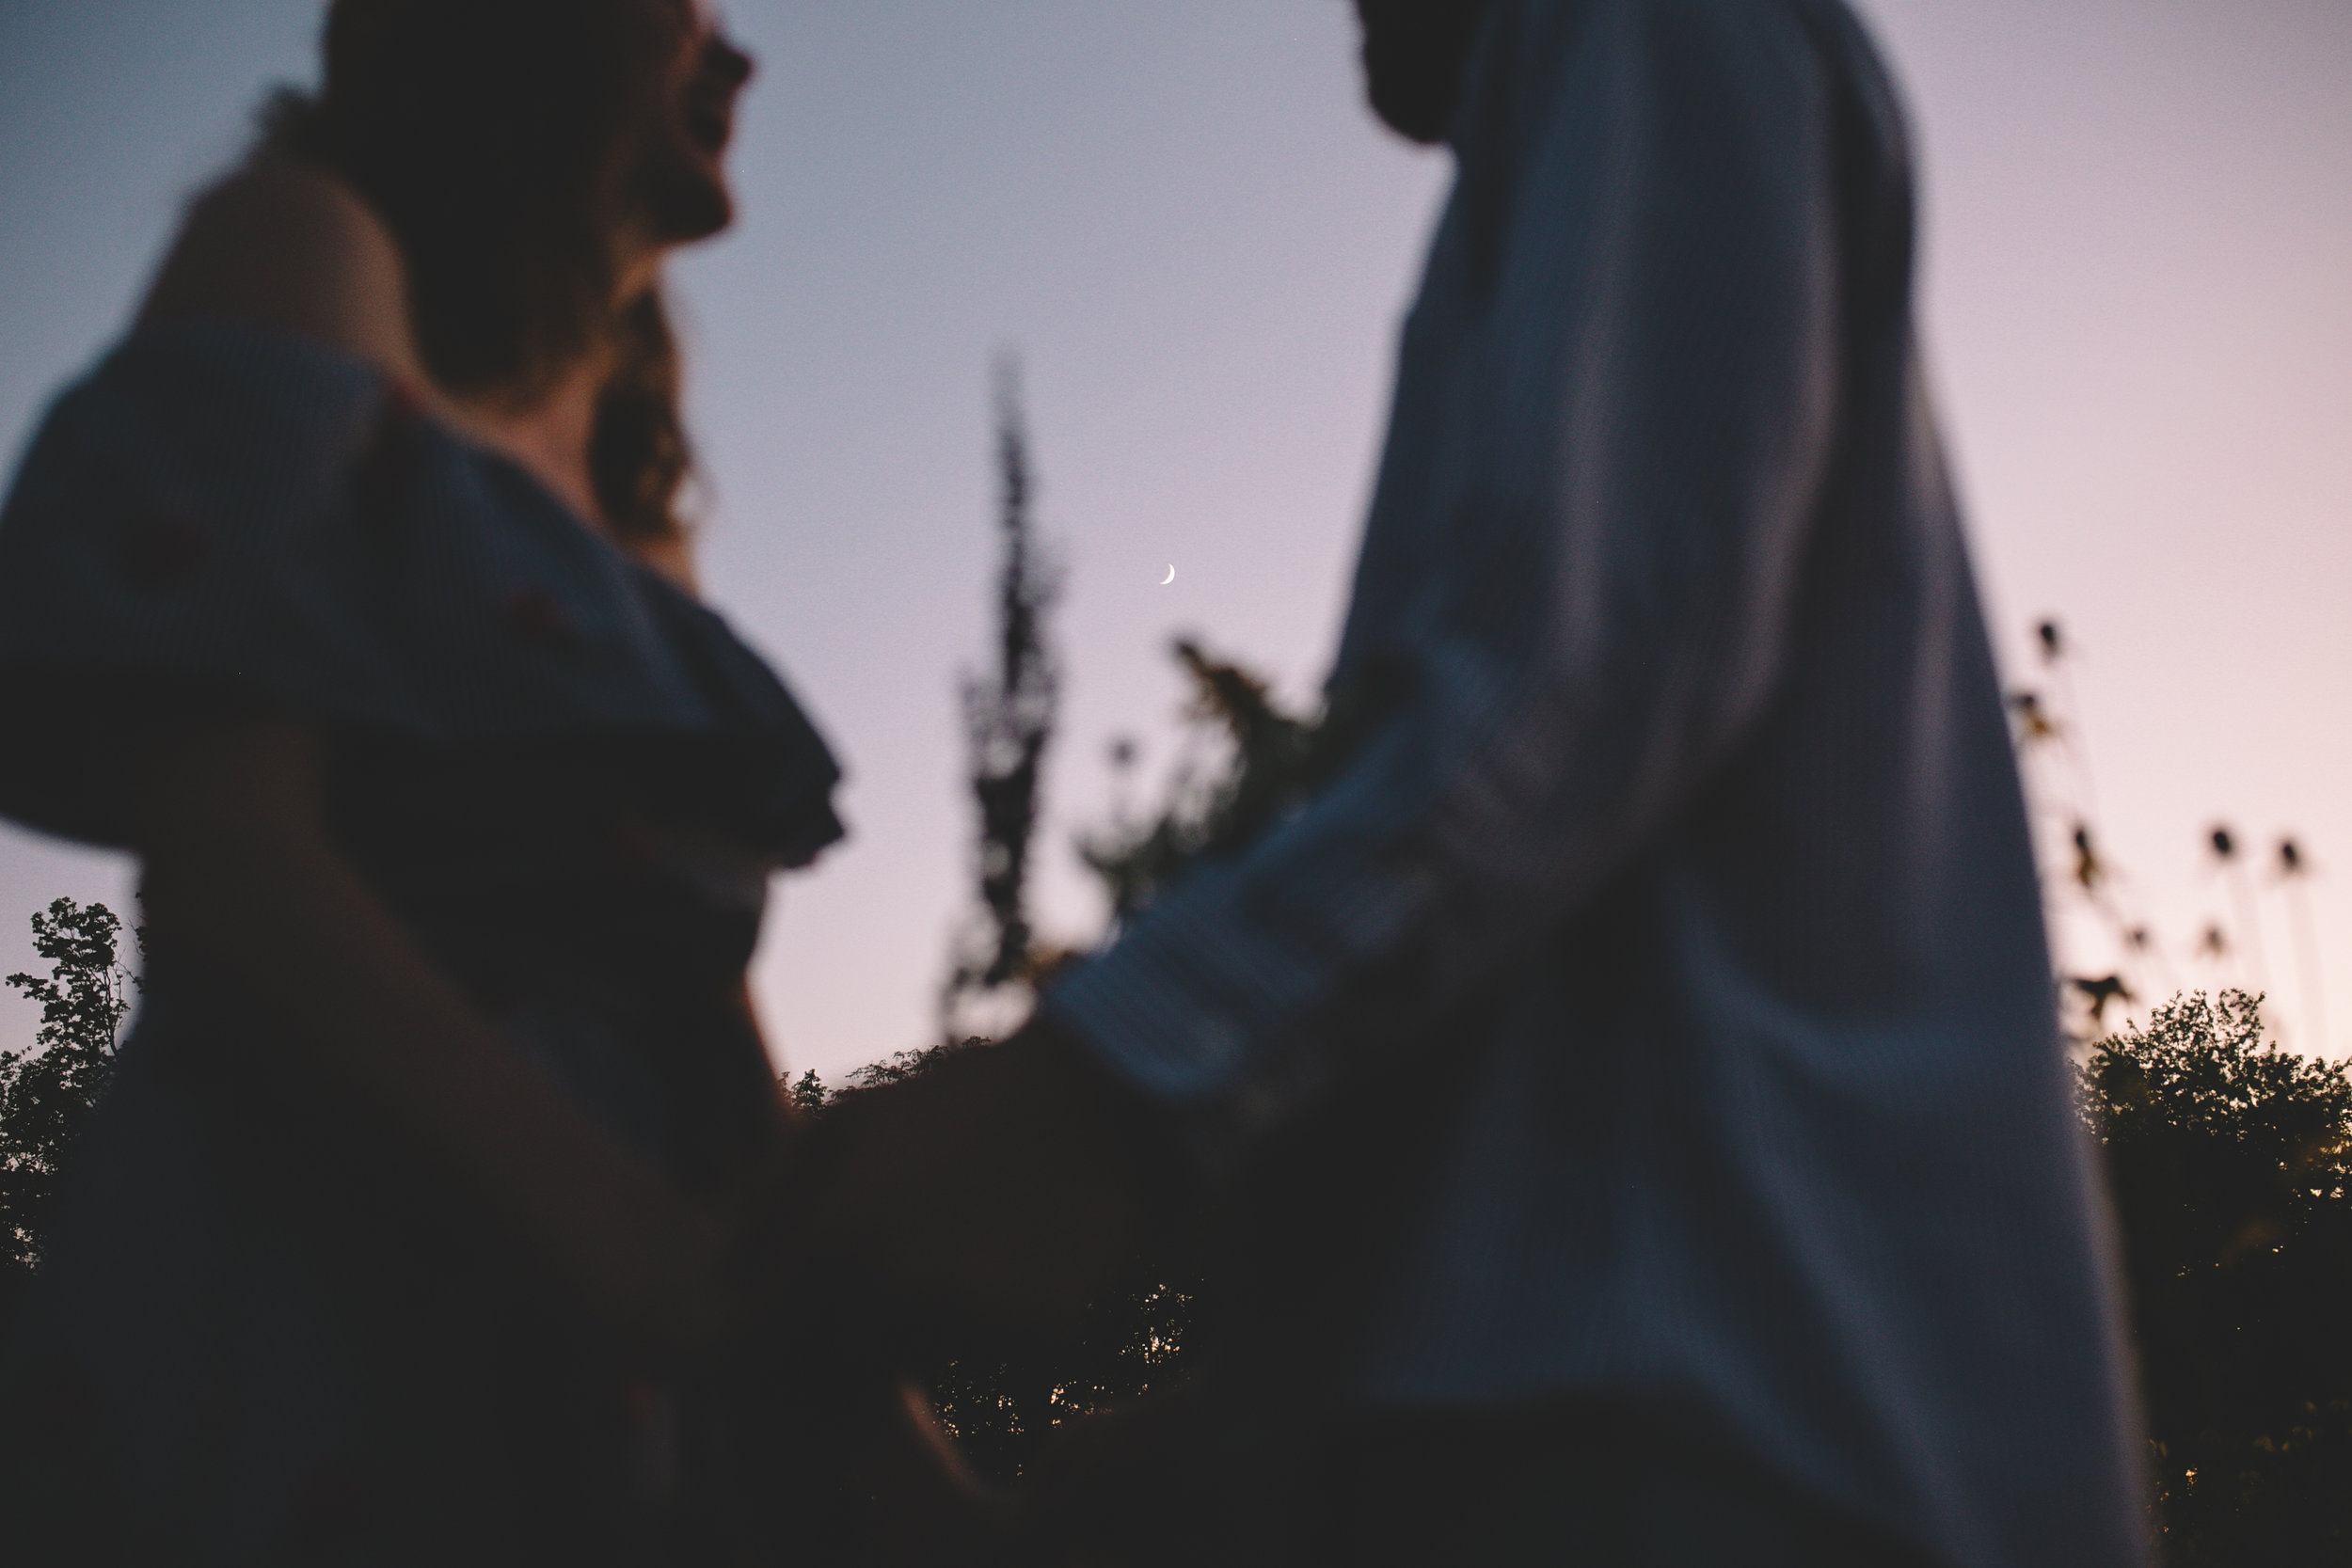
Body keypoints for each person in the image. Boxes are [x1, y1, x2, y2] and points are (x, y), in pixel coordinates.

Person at [808, 2, 2153, 1564]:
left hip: (1730, 1438)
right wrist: (1258, 1389)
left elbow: (1584, 671)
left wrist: (1104, 1082)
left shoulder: (1653, 30)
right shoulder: (1589, 126)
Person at [0, 1, 959, 1559]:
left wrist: (894, 1452)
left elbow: (689, 988)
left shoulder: (637, 484)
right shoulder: (302, 249)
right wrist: (651, 1265)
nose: (737, 59)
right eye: (684, 13)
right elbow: (235, 866)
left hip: (617, 1367)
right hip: (316, 1299)